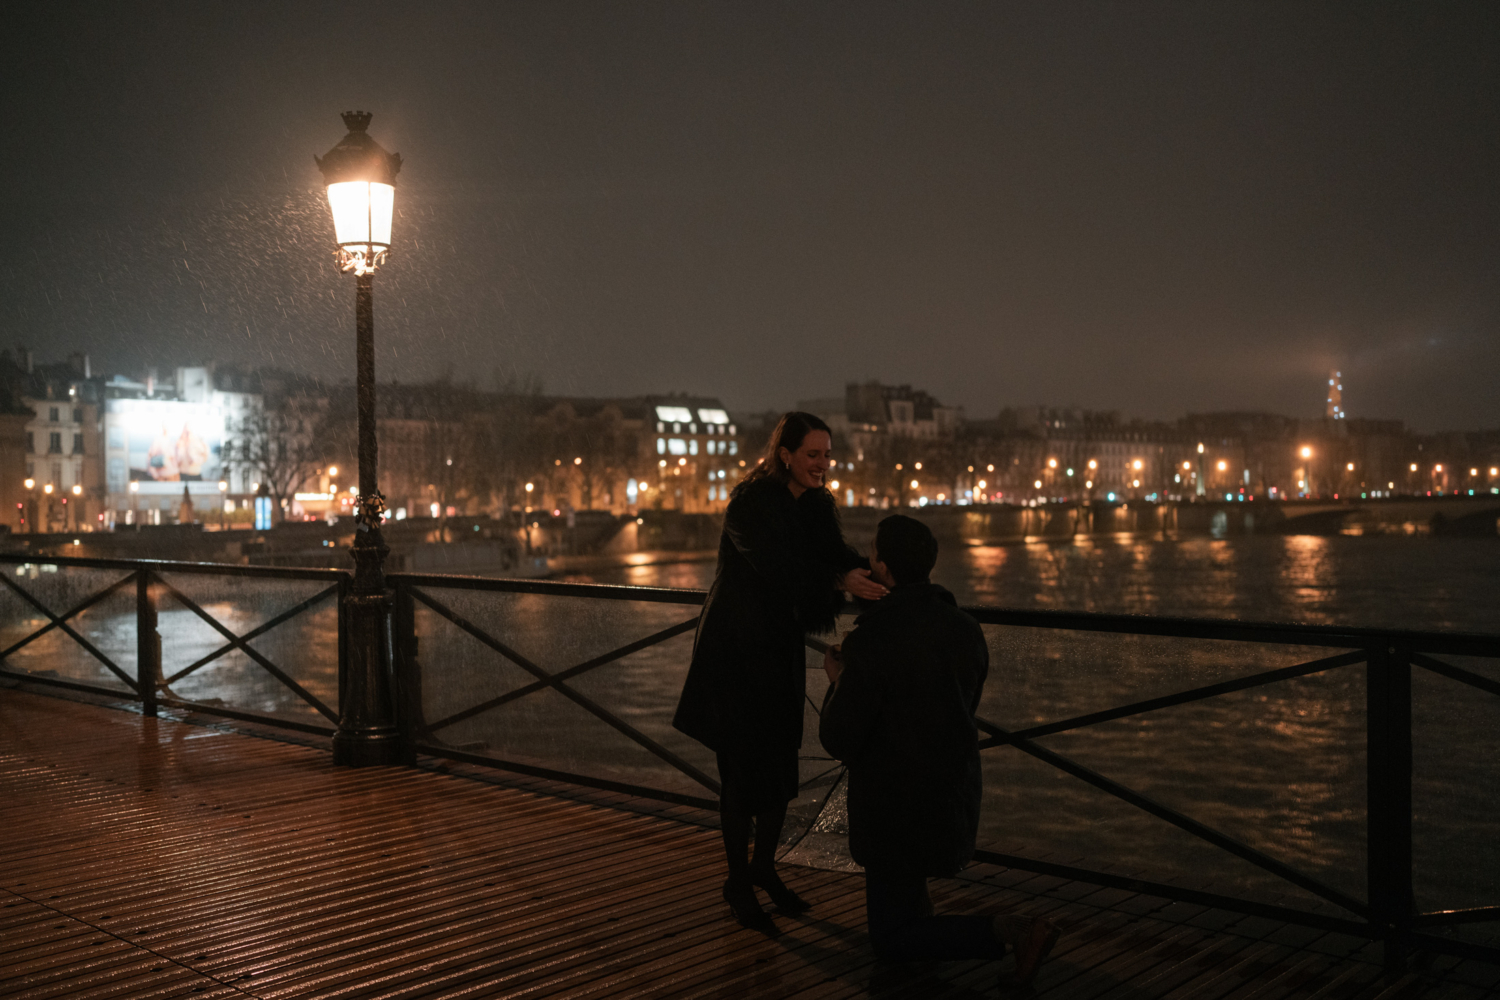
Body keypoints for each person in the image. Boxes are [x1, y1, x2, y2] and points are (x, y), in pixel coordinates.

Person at [819, 514, 1060, 982]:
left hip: (891, 805)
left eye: (872, 554)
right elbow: (964, 703)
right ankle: (962, 940)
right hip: (949, 791)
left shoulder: (871, 640)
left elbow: (839, 737)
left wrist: (838, 682)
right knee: (907, 909)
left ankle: (1010, 931)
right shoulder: (965, 629)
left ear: (883, 570)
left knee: (889, 939)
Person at [673, 411, 888, 929]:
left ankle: (763, 868)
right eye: (813, 454)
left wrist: (880, 576)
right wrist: (841, 580)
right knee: (740, 778)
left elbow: (832, 557)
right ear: (785, 454)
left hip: (775, 649)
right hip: (734, 653)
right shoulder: (750, 505)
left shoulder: (815, 505)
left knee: (778, 771)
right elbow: (779, 568)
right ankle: (738, 884)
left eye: (828, 455)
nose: (823, 464)